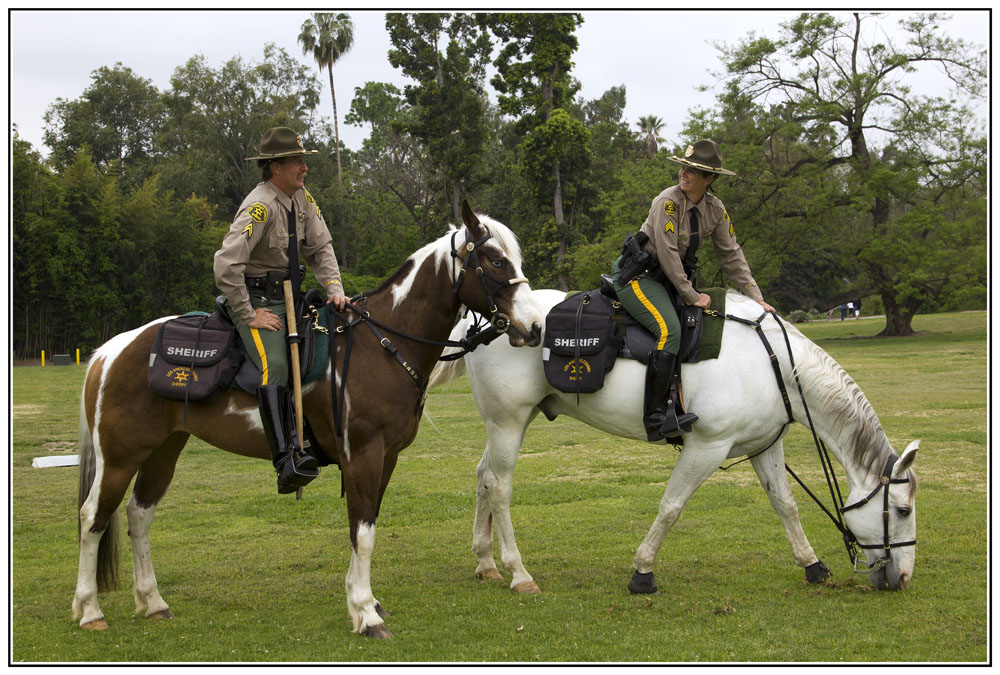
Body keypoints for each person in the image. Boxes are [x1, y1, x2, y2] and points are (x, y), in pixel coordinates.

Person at [611, 139, 775, 442]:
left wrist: (755, 296)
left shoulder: (716, 209)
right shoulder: (667, 202)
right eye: (683, 167)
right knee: (669, 330)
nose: (683, 173)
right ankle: (655, 418)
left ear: (709, 179)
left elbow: (731, 253)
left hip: (671, 282)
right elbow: (669, 252)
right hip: (640, 278)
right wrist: (691, 295)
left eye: (692, 170)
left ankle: (682, 402)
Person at [214, 127, 348, 494]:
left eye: (304, 161)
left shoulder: (302, 199)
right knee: (276, 364)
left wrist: (334, 288)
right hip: (256, 301)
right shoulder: (259, 206)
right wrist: (248, 313)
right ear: (275, 167)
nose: (305, 168)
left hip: (292, 297)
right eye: (297, 162)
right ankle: (286, 459)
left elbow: (321, 248)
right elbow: (226, 266)